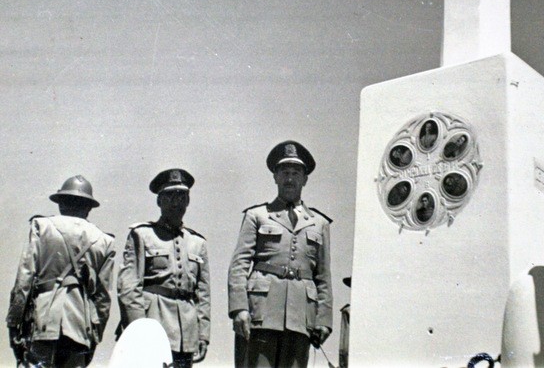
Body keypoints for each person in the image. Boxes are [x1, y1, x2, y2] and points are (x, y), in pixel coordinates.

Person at [228, 140, 333, 368]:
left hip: (300, 320)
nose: (289, 178)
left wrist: (323, 320)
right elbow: (239, 266)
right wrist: (239, 309)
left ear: (305, 179)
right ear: (275, 176)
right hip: (260, 316)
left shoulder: (319, 223)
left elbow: (323, 277)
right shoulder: (257, 216)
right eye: (284, 172)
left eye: (296, 173)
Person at [6, 175, 115, 367]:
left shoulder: (41, 226)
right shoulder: (104, 241)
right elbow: (103, 299)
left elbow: (24, 279)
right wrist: (95, 336)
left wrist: (14, 323)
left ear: (61, 203)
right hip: (80, 327)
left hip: (43, 321)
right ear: (88, 207)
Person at [117, 169, 210, 368]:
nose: (176, 202)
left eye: (182, 196)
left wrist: (203, 334)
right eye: (169, 196)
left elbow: (203, 295)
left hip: (187, 333)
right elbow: (128, 287)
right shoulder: (142, 235)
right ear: (159, 201)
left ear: (188, 201)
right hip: (153, 326)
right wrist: (138, 329)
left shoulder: (197, 243)